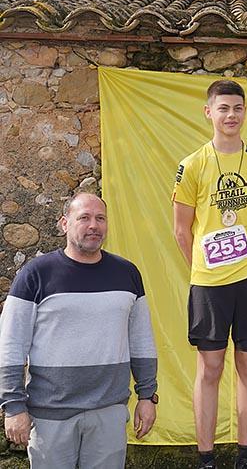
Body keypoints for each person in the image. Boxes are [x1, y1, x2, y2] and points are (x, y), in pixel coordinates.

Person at [0, 192, 158, 469]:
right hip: (50, 415)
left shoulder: (127, 274)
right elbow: (11, 344)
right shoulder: (35, 275)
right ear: (65, 223)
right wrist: (13, 406)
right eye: (84, 217)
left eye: (100, 218)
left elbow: (141, 340)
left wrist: (147, 396)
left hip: (109, 412)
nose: (93, 225)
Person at [173, 79, 247, 469]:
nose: (231, 115)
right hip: (209, 283)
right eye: (223, 108)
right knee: (210, 367)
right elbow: (181, 230)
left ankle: (246, 458)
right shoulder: (191, 165)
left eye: (237, 108)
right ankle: (206, 459)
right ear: (209, 113)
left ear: (245, 112)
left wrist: (245, 260)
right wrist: (206, 266)